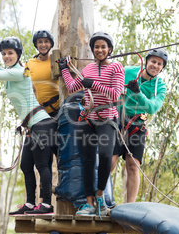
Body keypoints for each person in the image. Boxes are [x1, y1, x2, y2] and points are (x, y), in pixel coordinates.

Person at [0, 24, 56, 215]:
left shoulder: (19, 71)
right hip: (33, 126)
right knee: (26, 165)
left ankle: (46, 204)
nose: (7, 56)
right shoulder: (11, 73)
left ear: (18, 54)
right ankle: (31, 203)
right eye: (4, 53)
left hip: (42, 123)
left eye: (10, 53)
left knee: (42, 165)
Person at [57, 32, 125, 216]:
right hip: (87, 119)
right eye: (97, 47)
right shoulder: (87, 69)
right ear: (93, 50)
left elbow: (115, 95)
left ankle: (100, 198)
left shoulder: (117, 68)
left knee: (104, 157)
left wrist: (92, 84)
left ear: (109, 49)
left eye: (103, 47)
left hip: (107, 119)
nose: (100, 50)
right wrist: (64, 69)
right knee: (86, 160)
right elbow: (72, 87)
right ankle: (88, 204)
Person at [111, 48, 168, 203]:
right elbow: (110, 76)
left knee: (133, 165)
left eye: (159, 64)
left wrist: (137, 93)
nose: (155, 65)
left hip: (137, 125)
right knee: (110, 161)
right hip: (118, 121)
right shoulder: (128, 71)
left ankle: (130, 206)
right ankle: (101, 198)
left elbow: (152, 107)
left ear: (162, 67)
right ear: (147, 62)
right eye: (153, 61)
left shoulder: (159, 86)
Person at [27, 30, 60, 117]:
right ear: (36, 44)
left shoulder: (56, 61)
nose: (43, 45)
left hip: (58, 110)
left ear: (51, 44)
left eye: (46, 41)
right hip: (38, 112)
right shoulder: (29, 63)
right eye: (40, 42)